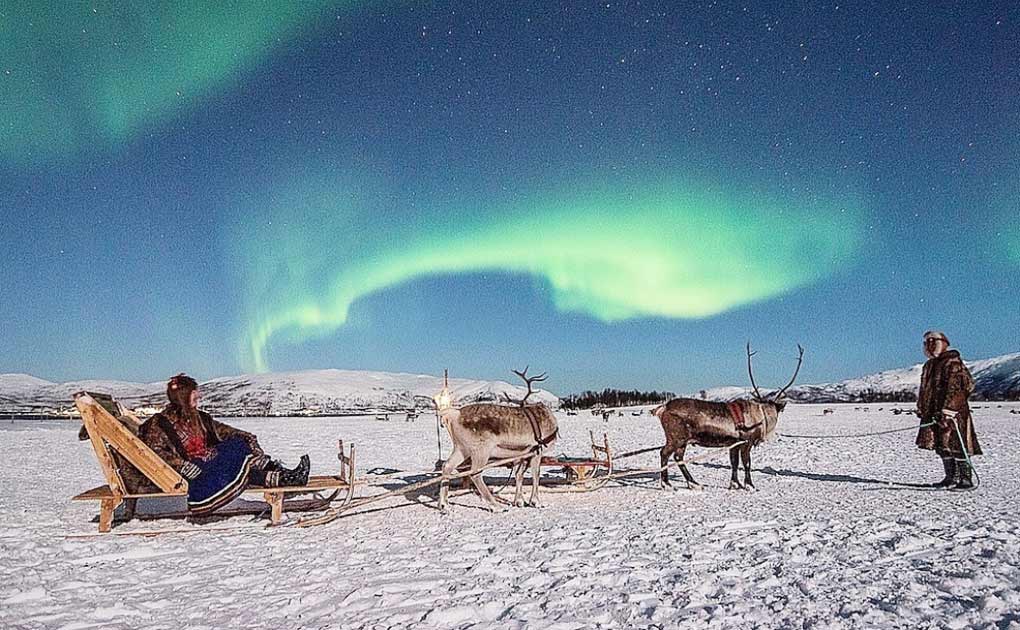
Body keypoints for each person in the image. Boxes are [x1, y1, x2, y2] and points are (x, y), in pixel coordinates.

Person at [140, 373, 311, 514]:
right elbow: (152, 452)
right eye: (194, 393)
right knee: (236, 454)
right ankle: (284, 477)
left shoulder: (200, 418)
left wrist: (246, 436)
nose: (198, 396)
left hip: (207, 462)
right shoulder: (160, 424)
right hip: (193, 472)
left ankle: (283, 476)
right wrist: (181, 465)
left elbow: (223, 430)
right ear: (183, 396)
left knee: (239, 444)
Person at [915, 331, 981, 491]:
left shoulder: (953, 363)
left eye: (933, 341)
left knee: (958, 444)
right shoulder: (929, 365)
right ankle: (950, 478)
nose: (929, 345)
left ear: (943, 342)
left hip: (953, 413)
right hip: (933, 413)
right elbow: (925, 389)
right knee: (941, 445)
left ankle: (965, 479)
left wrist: (949, 409)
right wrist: (922, 407)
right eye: (926, 342)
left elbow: (962, 387)